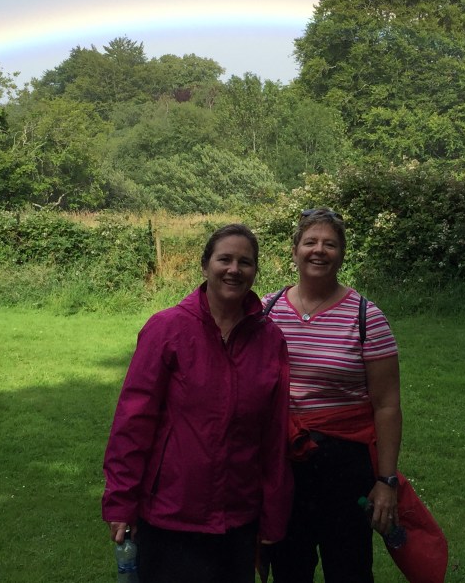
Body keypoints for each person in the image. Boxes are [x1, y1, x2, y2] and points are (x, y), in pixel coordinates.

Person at [102, 223, 293, 583]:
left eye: (245, 262)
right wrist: (121, 502)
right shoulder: (167, 329)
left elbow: (274, 435)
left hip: (238, 517)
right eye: (225, 259)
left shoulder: (270, 340)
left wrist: (273, 513)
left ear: (255, 272)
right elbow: (133, 422)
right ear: (205, 266)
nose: (234, 269)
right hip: (171, 514)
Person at [264, 208, 402, 583]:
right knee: (289, 567)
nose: (318, 250)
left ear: (341, 254)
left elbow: (387, 405)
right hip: (284, 461)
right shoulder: (266, 311)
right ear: (294, 251)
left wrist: (386, 482)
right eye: (310, 242)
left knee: (349, 569)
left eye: (330, 244)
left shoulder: (366, 317)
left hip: (345, 465)